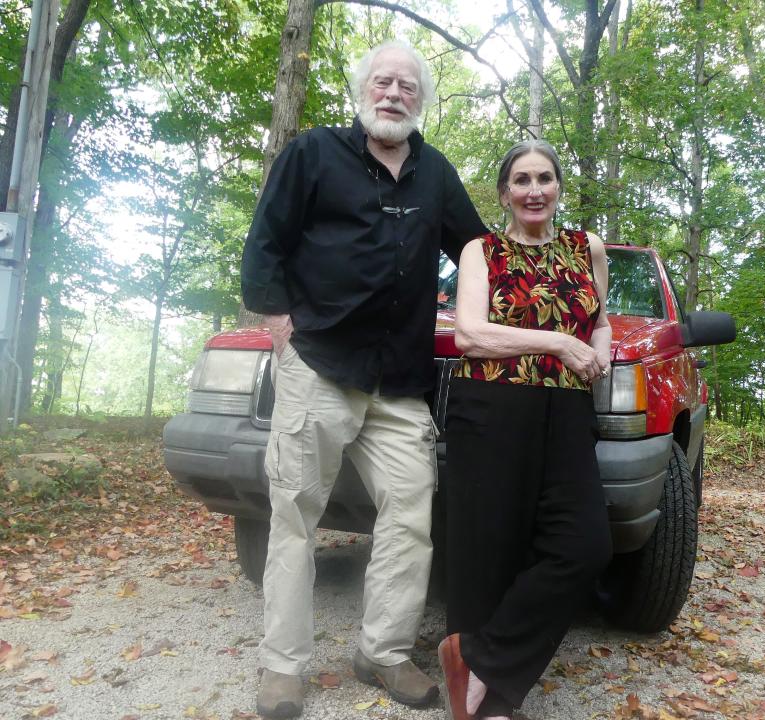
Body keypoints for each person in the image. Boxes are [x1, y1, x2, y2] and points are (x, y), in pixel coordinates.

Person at [240, 40, 486, 720]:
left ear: (421, 100)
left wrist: (555, 282)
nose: (395, 92)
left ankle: (382, 651)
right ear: (362, 90)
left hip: (399, 383)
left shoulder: (436, 173)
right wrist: (281, 323)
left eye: (409, 85)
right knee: (294, 517)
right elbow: (266, 242)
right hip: (318, 364)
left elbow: (477, 251)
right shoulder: (314, 154)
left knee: (411, 515)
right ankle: (282, 667)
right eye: (384, 80)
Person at [437, 139, 614, 720]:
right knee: (487, 546)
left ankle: (477, 657)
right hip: (491, 407)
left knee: (584, 545)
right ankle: (490, 700)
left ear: (559, 186)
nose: (534, 190)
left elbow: (601, 322)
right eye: (521, 180)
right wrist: (561, 343)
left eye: (544, 178)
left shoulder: (586, 248)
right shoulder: (479, 251)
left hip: (567, 412)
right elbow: (469, 334)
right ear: (504, 192)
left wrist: (599, 350)